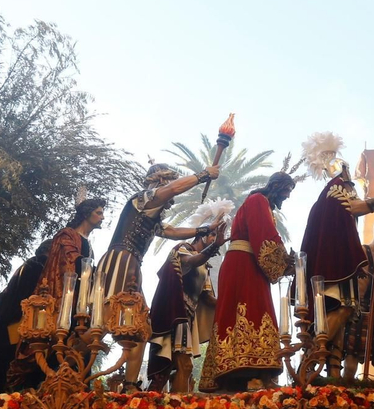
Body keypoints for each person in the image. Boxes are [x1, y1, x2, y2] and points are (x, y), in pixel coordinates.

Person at [96, 163, 220, 385]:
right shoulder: (142, 200)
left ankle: (131, 385)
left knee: (142, 328)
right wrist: (202, 175)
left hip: (133, 265)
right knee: (104, 320)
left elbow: (171, 232)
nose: (171, 199)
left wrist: (204, 230)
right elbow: (172, 191)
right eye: (169, 183)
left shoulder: (152, 217)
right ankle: (73, 365)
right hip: (120, 260)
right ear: (159, 182)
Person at [0, 197, 107, 392]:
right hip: (58, 302)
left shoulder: (88, 244)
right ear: (87, 214)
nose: (102, 217)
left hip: (78, 303)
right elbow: (69, 262)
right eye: (99, 212)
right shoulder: (64, 238)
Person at [298, 143, 374, 378]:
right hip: (336, 261)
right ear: (342, 170)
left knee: (345, 309)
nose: (352, 180)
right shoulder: (337, 187)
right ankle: (309, 358)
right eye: (348, 171)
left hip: (337, 258)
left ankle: (334, 372)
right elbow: (352, 207)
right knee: (342, 308)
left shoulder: (327, 194)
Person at [200, 172, 296, 391]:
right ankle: (249, 371)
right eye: (287, 190)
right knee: (251, 311)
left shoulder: (262, 204)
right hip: (243, 265)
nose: (288, 196)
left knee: (252, 311)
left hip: (248, 264)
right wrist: (283, 260)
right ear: (276, 186)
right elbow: (265, 235)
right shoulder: (257, 200)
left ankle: (252, 371)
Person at [146, 222, 228, 391]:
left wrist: (231, 301)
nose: (214, 239)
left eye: (215, 236)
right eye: (212, 235)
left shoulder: (205, 267)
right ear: (202, 236)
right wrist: (215, 246)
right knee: (176, 368)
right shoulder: (183, 248)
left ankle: (166, 408)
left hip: (187, 319)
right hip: (173, 314)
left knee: (177, 369)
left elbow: (208, 299)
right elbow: (192, 261)